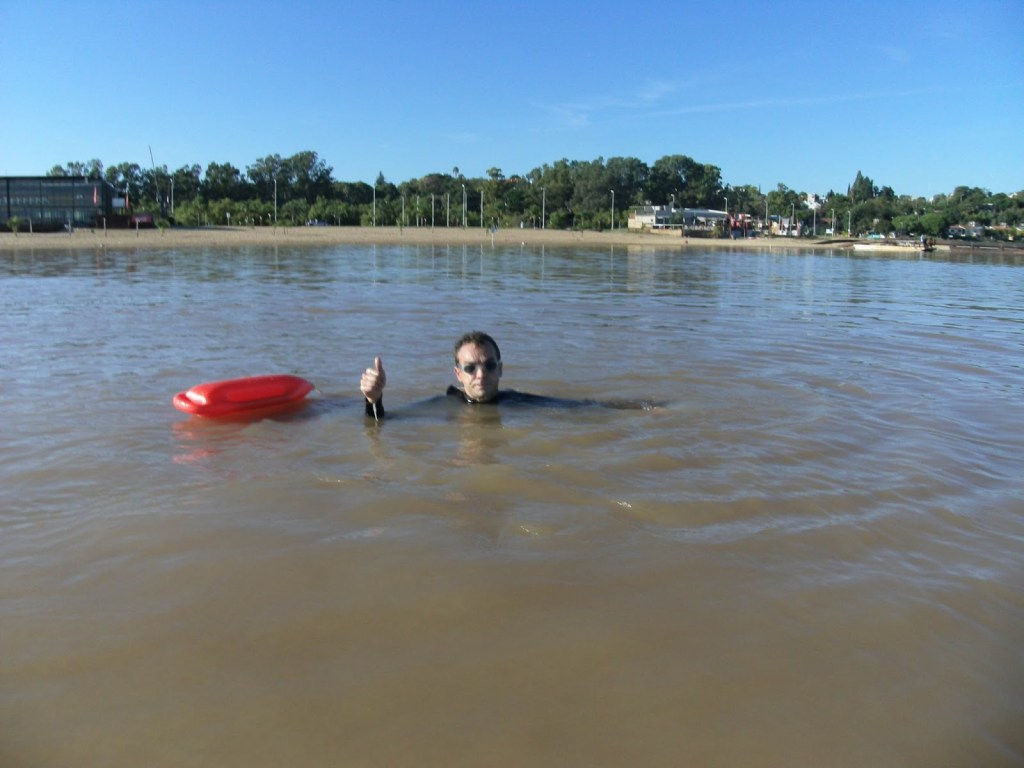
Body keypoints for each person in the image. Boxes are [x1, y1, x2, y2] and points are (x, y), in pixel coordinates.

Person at [360, 330, 562, 419]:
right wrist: (374, 400)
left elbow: (580, 408)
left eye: (489, 365)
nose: (481, 375)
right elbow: (381, 424)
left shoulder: (520, 402)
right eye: (470, 368)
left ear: (500, 369)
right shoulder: (443, 407)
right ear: (458, 374)